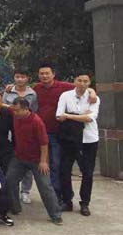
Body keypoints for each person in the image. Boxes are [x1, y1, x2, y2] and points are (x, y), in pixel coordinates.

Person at [32, 62, 97, 203]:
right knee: (50, 167)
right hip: (42, 133)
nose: (44, 76)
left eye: (47, 73)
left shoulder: (64, 87)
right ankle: (59, 196)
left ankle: (58, 196)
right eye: (42, 73)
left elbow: (82, 87)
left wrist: (92, 92)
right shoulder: (36, 88)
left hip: (60, 134)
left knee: (57, 165)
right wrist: (10, 88)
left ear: (53, 74)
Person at [5, 97, 63, 225]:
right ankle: (15, 207)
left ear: (26, 109)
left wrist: (43, 161)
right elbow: (6, 106)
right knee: (10, 180)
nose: (15, 113)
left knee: (45, 186)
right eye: (14, 110)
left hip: (37, 160)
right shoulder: (15, 114)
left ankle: (55, 215)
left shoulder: (37, 122)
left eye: (18, 110)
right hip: (19, 157)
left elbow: (44, 143)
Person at [56, 69, 100, 216]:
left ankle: (85, 203)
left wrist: (69, 116)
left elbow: (90, 118)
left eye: (85, 81)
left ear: (89, 82)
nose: (82, 83)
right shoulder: (65, 96)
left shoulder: (94, 98)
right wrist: (80, 116)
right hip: (69, 139)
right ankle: (67, 200)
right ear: (74, 81)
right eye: (79, 80)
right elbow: (59, 116)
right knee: (64, 170)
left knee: (87, 172)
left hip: (89, 139)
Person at [3, 67, 38, 203]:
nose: (20, 79)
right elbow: (4, 107)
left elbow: (34, 111)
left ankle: (25, 191)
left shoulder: (32, 94)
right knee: (13, 163)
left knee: (27, 163)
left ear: (27, 78)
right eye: (17, 76)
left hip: (27, 131)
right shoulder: (8, 91)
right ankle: (14, 192)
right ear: (14, 78)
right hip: (11, 130)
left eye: (23, 77)